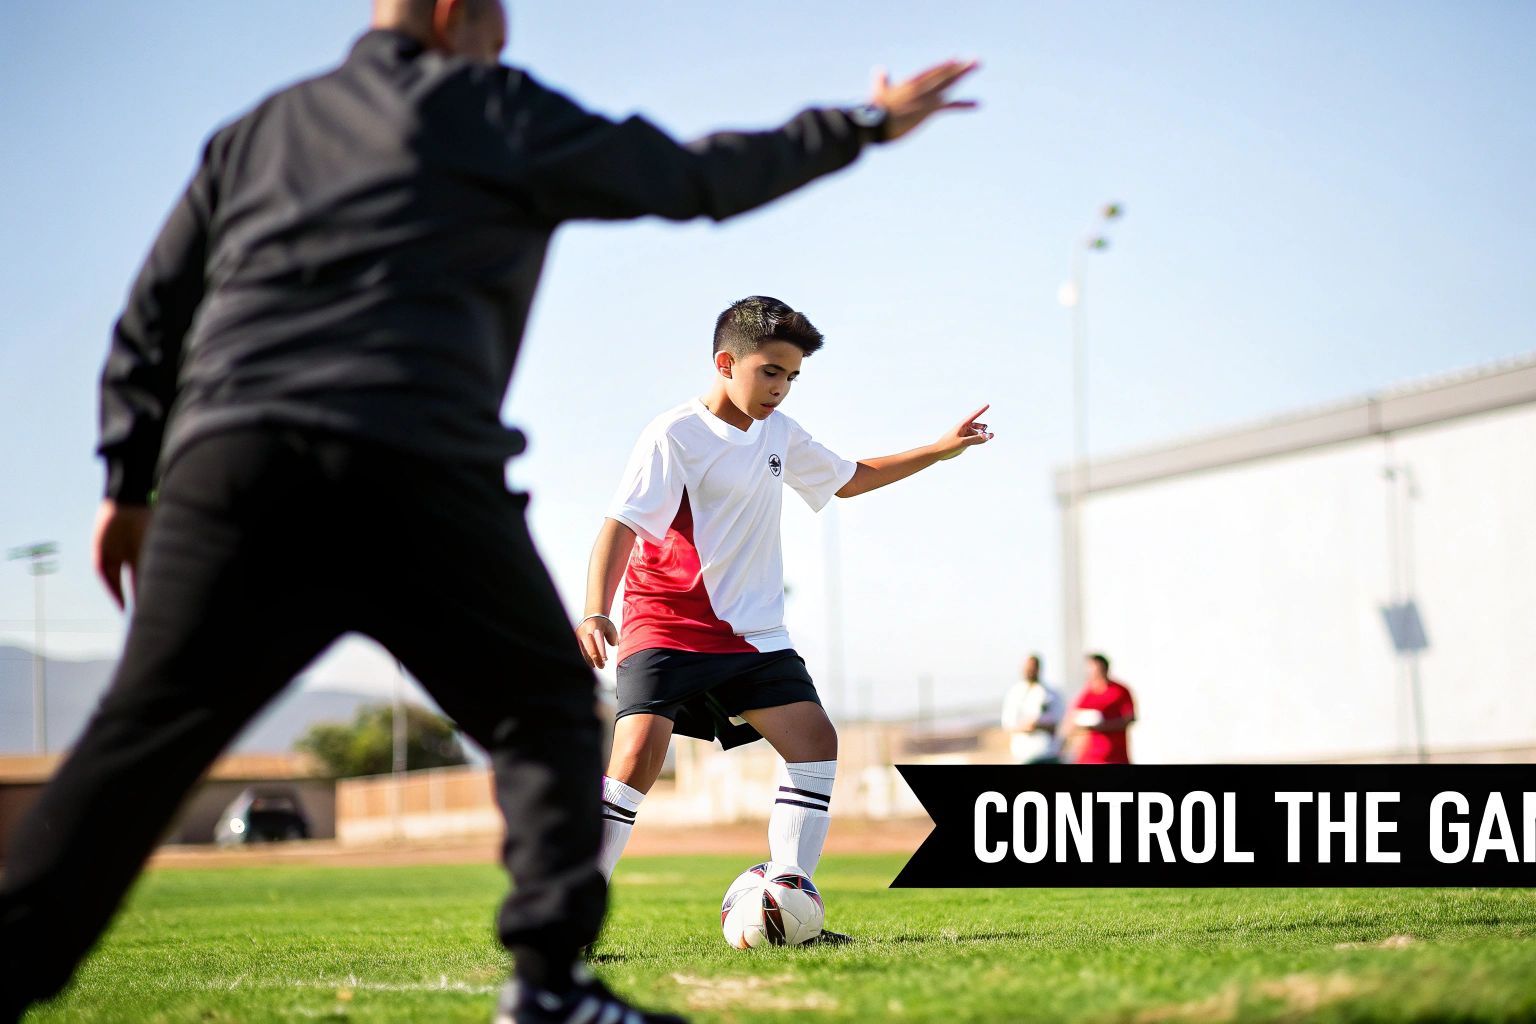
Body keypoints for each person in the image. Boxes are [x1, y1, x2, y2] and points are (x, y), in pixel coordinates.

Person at [0, 1, 977, 1019]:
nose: (507, 38)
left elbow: (154, 308)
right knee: (547, 713)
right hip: (417, 466)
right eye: (500, 15)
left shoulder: (261, 128)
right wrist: (856, 127)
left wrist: (127, 477)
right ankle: (550, 988)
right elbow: (689, 177)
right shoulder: (491, 110)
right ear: (455, 12)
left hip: (234, 470)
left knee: (139, 740)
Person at [575, 295, 993, 943]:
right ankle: (568, 923)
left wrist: (938, 451)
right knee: (635, 758)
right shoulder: (673, 435)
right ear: (725, 362)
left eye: (792, 377)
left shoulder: (780, 434)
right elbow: (619, 526)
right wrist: (595, 610)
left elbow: (848, 478)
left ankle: (787, 907)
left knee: (815, 743)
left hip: (754, 634)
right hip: (668, 623)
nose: (781, 388)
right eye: (771, 371)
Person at [1065, 653, 1137, 765]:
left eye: (1097, 669)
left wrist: (1105, 725)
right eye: (1091, 669)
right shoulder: (1087, 694)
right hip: (1090, 758)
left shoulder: (1120, 691)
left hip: (1116, 757)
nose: (1093, 673)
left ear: (1105, 669)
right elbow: (1072, 719)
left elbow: (1130, 718)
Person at [1001, 654, 1064, 764]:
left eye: (1033, 667)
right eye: (1028, 668)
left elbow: (1060, 723)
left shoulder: (1051, 693)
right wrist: (1025, 726)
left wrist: (1039, 725)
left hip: (1048, 752)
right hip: (1024, 754)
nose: (1030, 671)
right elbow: (1008, 724)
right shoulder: (1015, 692)